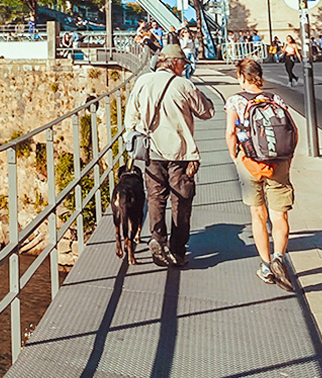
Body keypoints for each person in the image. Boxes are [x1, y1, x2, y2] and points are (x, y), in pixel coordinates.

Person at [125, 41, 215, 267]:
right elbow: (207, 112)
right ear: (175, 63)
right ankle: (177, 249)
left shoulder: (143, 81)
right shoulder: (184, 85)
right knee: (181, 200)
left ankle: (157, 238)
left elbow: (131, 120)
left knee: (155, 197)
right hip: (181, 154)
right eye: (183, 63)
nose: (184, 67)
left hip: (151, 152)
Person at [225, 58, 297, 290]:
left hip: (250, 162)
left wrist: (235, 157)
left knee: (258, 214)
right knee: (280, 216)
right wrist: (289, 157)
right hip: (279, 162)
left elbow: (230, 133)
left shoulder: (235, 100)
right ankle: (279, 258)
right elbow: (293, 130)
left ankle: (266, 267)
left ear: (242, 78)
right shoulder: (275, 99)